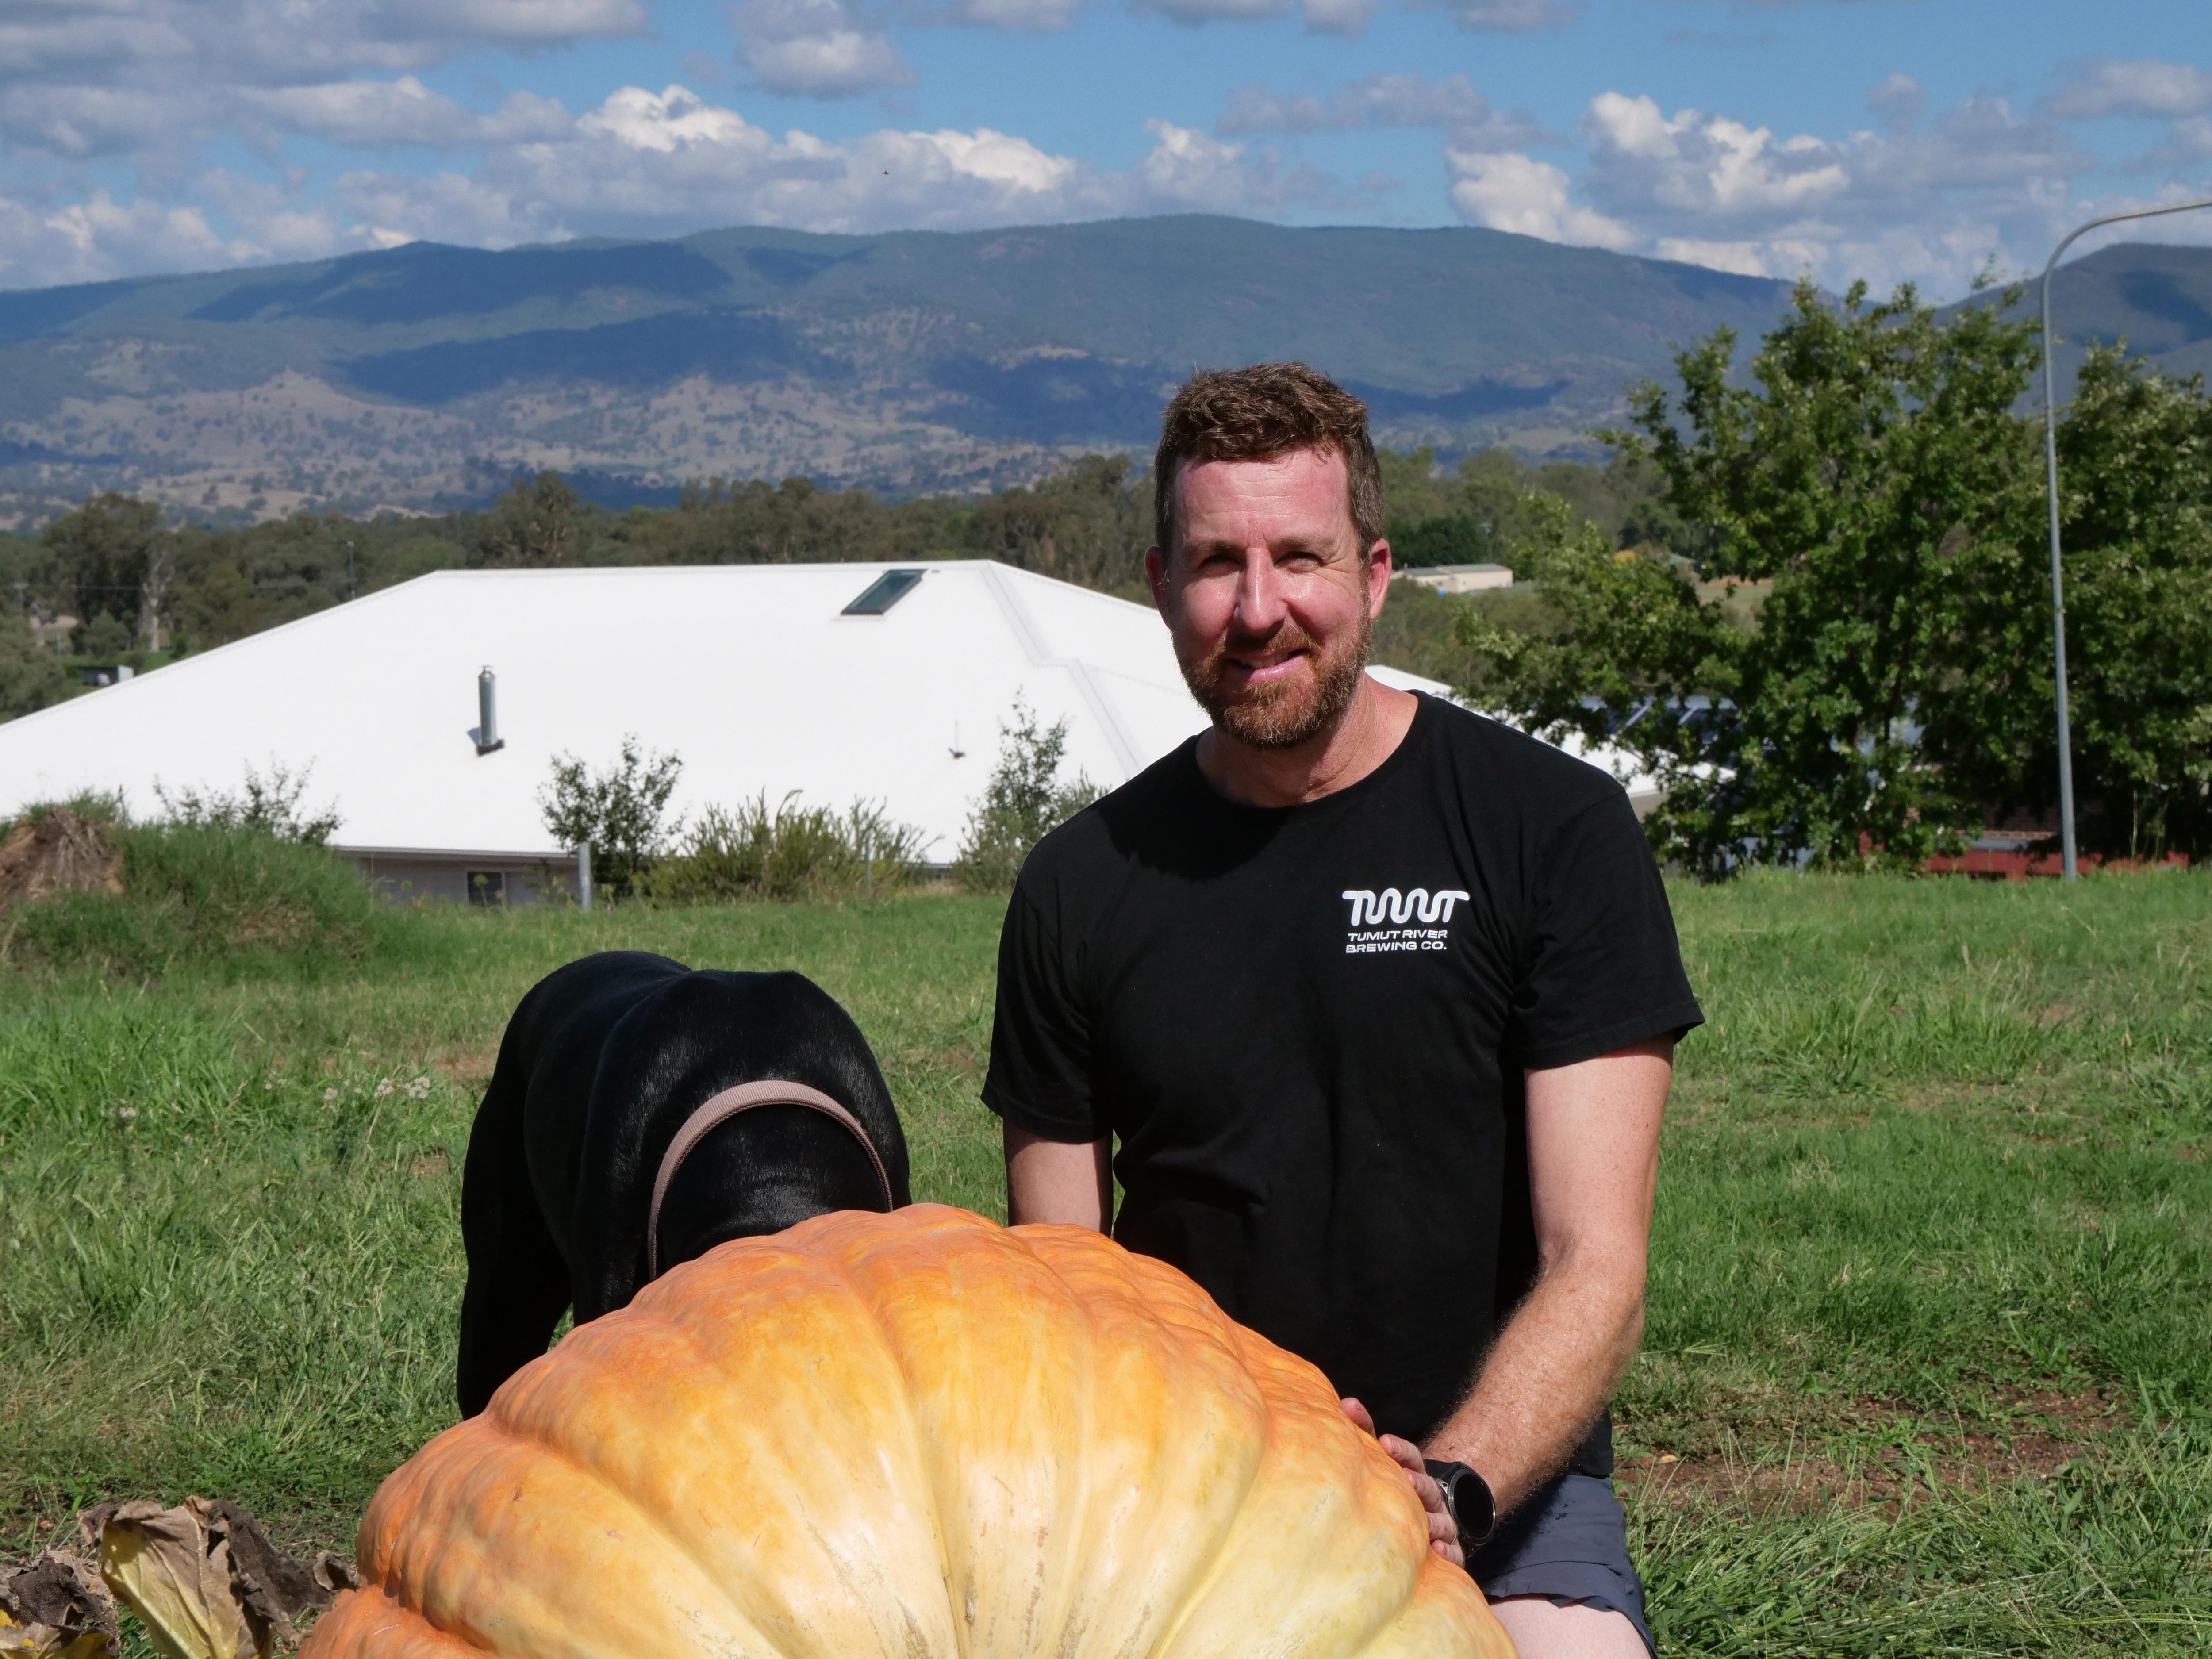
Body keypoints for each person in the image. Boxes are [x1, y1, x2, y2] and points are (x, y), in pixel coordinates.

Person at [982, 363, 1702, 1658]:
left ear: (1374, 575)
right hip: (1194, 1492)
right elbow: (1065, 1292)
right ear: (1160, 585)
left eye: (1298, 558)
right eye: (1217, 563)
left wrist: (1448, 1491)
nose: (1259, 610)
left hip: (1501, 1486)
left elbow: (1597, 1266)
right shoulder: (1078, 889)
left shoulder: (1552, 831)